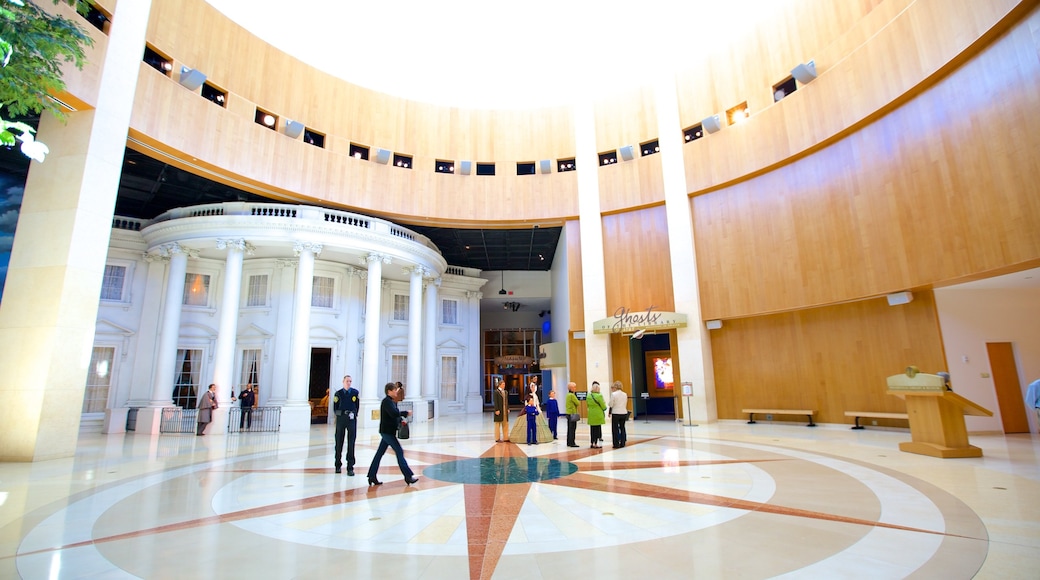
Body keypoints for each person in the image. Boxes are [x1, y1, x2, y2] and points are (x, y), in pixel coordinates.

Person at [366, 382, 418, 486]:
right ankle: (408, 476)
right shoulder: (386, 402)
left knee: (379, 454)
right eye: (394, 390)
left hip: (388, 432)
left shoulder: (391, 402)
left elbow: (394, 416)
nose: (396, 392)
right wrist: (406, 413)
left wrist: (401, 420)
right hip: (387, 432)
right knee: (399, 451)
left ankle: (372, 475)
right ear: (389, 391)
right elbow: (393, 413)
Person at [333, 375, 360, 475]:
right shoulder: (338, 393)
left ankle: (350, 467)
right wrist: (340, 414)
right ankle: (337, 464)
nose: (349, 383)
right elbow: (335, 407)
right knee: (339, 441)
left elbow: (357, 405)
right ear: (343, 382)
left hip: (351, 419)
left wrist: (354, 413)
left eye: (350, 381)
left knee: (351, 442)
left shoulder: (355, 393)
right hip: (341, 418)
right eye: (347, 381)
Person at [587, 381, 607, 448]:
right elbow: (603, 406)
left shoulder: (588, 396)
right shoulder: (599, 396)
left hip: (591, 414)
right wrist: (605, 408)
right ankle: (596, 443)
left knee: (592, 429)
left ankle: (592, 443)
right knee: (597, 429)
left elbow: (588, 405)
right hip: (598, 414)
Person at [609, 380, 629, 448]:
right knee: (622, 427)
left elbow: (611, 404)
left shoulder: (614, 394)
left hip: (616, 412)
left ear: (615, 387)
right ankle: (623, 442)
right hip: (623, 412)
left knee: (615, 429)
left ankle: (616, 443)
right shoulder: (625, 394)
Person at [565, 382, 580, 448]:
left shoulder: (567, 395)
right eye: (574, 387)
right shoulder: (572, 395)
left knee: (569, 428)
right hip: (572, 413)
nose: (575, 388)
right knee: (573, 429)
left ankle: (568, 442)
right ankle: (572, 442)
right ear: (571, 388)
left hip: (568, 413)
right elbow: (577, 403)